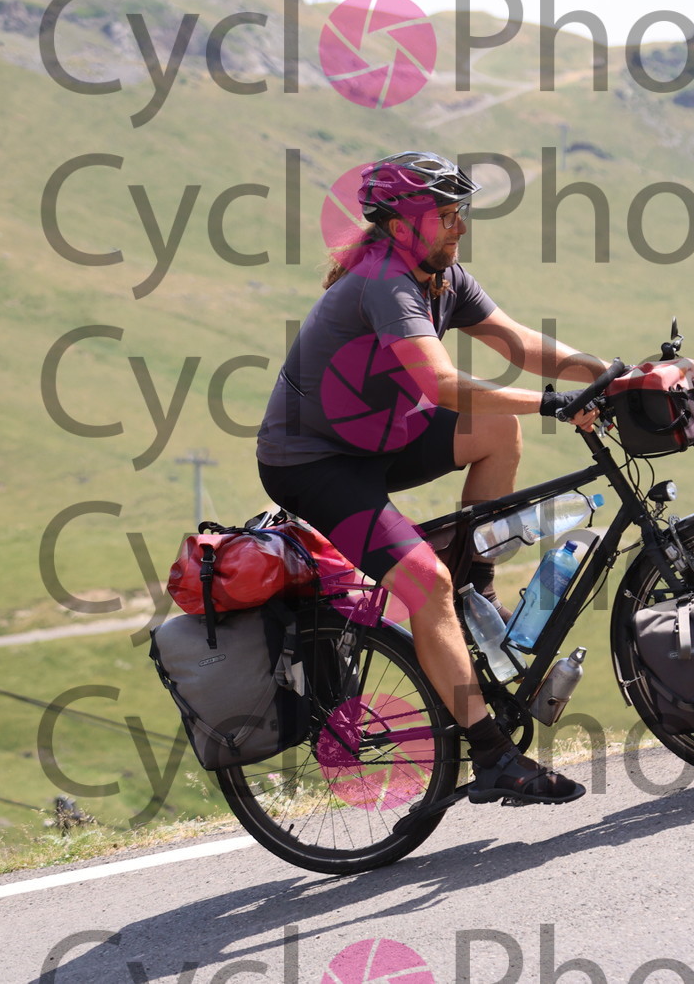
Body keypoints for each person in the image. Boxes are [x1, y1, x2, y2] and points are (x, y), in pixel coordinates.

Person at [255, 151, 605, 805]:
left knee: (497, 431)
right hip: (313, 462)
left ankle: (475, 589)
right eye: (446, 216)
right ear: (401, 225)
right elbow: (439, 384)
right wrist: (554, 403)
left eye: (459, 214)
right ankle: (493, 755)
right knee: (425, 582)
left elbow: (517, 341)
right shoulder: (384, 283)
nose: (460, 227)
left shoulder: (441, 277)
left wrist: (608, 372)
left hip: (381, 439)